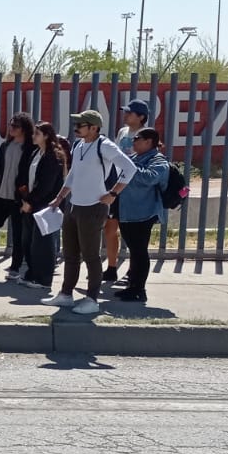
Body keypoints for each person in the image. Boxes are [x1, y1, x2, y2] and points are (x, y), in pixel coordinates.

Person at [44, 110, 136, 316]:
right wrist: (60, 198)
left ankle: (92, 299)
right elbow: (74, 174)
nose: (76, 128)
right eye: (76, 124)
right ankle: (66, 294)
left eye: (81, 124)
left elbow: (129, 169)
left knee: (91, 256)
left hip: (93, 208)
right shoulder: (79, 146)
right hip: (74, 205)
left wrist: (113, 193)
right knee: (70, 254)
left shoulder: (105, 146)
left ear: (94, 127)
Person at [114, 127, 171, 305]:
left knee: (139, 251)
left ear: (149, 142)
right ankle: (132, 286)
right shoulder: (134, 158)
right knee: (134, 251)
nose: (134, 141)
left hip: (143, 213)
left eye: (137, 138)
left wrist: (130, 166)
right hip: (127, 212)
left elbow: (150, 178)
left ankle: (139, 289)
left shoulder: (158, 160)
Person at [104, 98, 151, 287]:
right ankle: (112, 267)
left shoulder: (146, 135)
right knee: (110, 227)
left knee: (131, 233)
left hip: (134, 190)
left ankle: (133, 270)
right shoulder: (123, 132)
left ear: (141, 117)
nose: (125, 115)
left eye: (130, 113)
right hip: (117, 185)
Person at [0, 114, 35, 279]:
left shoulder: (30, 149)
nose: (11, 128)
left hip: (17, 199)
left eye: (15, 126)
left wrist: (27, 198)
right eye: (10, 125)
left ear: (24, 129)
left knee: (18, 234)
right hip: (0, 196)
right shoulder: (5, 146)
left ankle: (15, 267)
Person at [17, 122, 67, 292]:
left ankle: (44, 279)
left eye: (37, 133)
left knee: (43, 244)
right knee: (28, 241)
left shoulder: (53, 157)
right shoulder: (37, 153)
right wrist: (25, 199)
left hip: (44, 206)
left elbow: (46, 186)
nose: (33, 136)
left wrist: (30, 202)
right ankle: (32, 273)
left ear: (46, 135)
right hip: (31, 204)